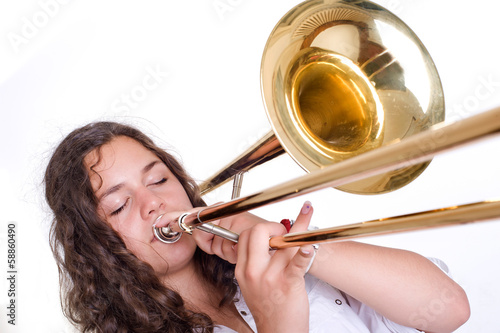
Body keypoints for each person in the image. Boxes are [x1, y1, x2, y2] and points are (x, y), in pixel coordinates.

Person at [44, 121, 470, 333]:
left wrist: (301, 246)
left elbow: (449, 308)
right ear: (93, 248)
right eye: (119, 206)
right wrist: (276, 318)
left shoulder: (279, 269)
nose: (155, 202)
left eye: (159, 179)